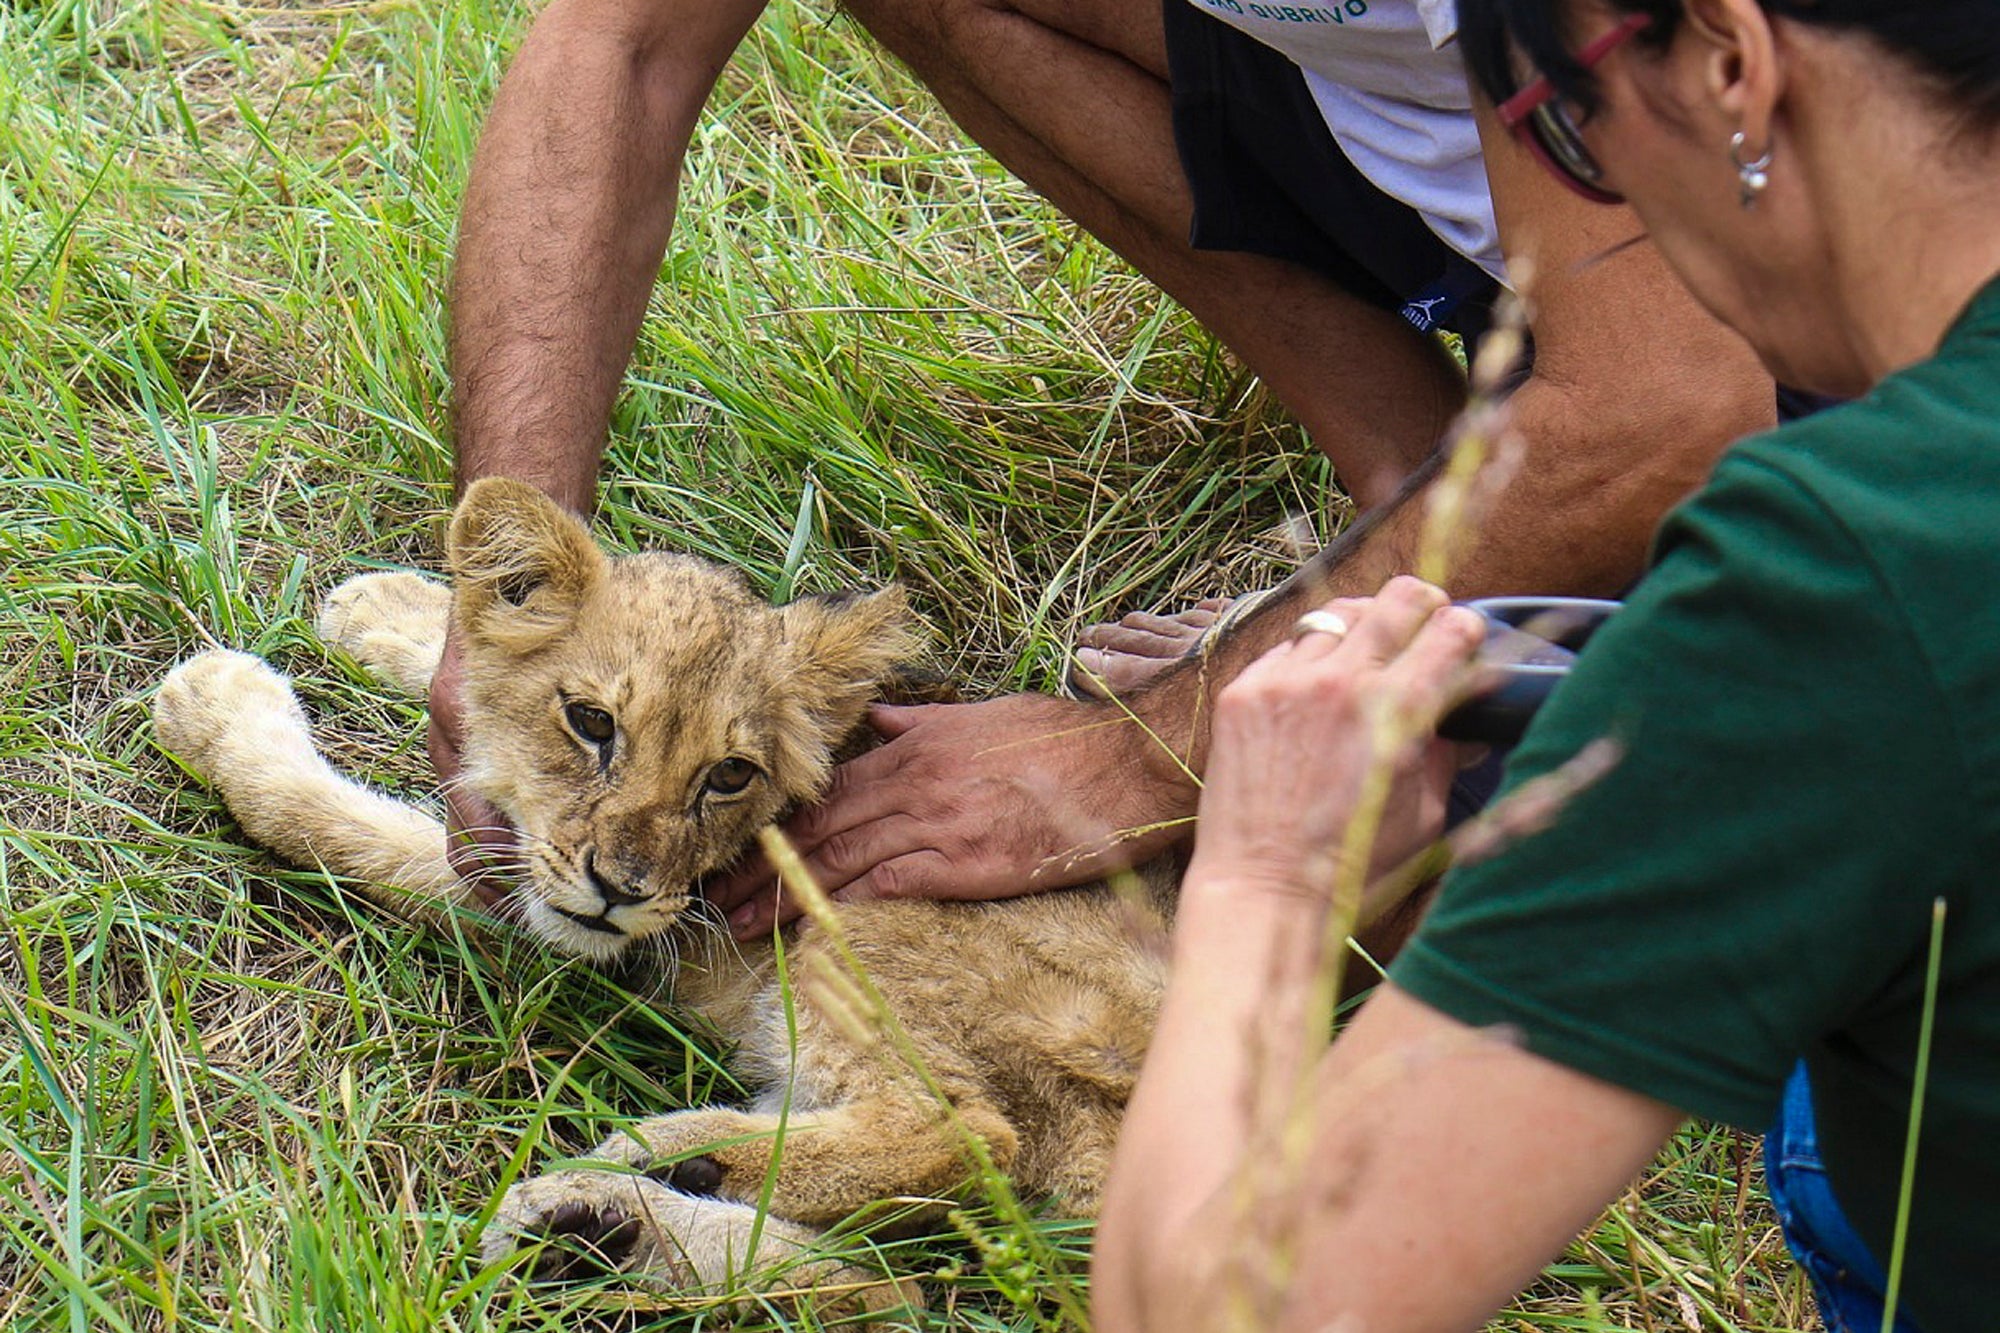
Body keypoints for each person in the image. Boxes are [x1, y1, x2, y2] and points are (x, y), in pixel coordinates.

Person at [431, 0, 1777, 924]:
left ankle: (1509, 582)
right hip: (1527, 162)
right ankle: (1424, 492)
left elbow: (1678, 400)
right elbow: (620, 44)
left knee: (1427, 882)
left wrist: (1135, 757)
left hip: (1822, 326)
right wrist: (511, 622)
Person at [1093, 1, 2000, 1329]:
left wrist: (1265, 878)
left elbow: (1227, 1316)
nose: (1607, 191)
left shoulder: (1839, 571)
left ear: (1731, 61)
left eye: (1566, 132)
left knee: (1831, 1150)